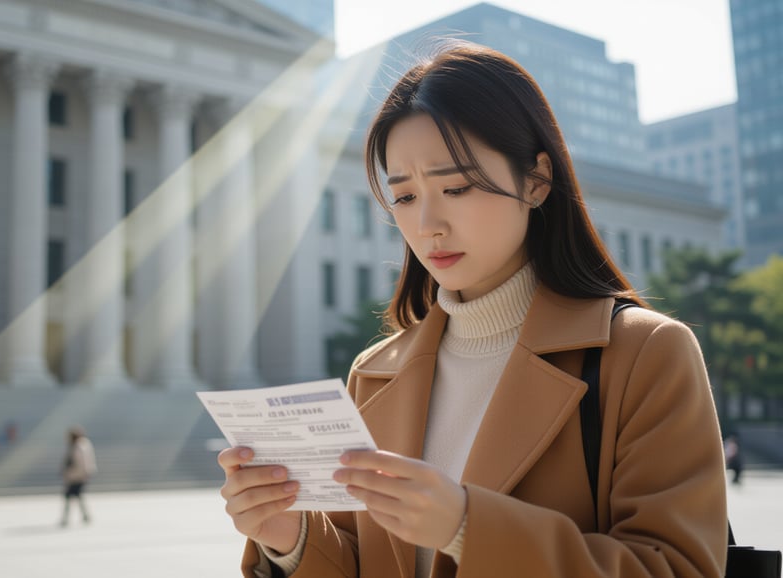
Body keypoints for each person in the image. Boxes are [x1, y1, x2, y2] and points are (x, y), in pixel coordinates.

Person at [218, 41, 728, 577]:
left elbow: (678, 567)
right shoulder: (374, 374)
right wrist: (292, 538)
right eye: (405, 197)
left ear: (536, 180)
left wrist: (467, 527)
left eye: (457, 187)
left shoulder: (644, 352)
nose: (427, 226)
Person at [60, 425, 96, 527]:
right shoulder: (77, 445)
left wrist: (85, 473)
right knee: (77, 496)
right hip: (74, 475)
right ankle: (84, 516)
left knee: (70, 496)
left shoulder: (80, 446)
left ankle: (67, 518)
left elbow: (84, 462)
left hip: (77, 476)